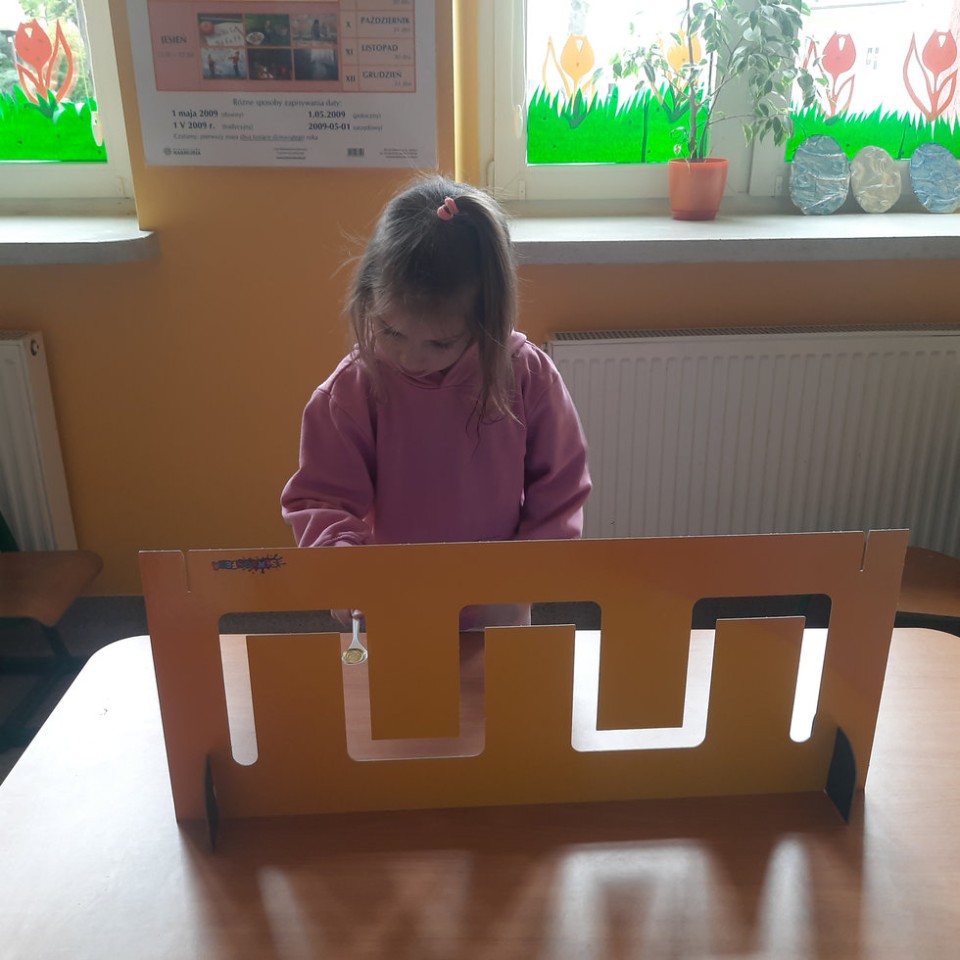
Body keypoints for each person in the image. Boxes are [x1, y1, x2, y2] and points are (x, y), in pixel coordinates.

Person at [281, 176, 591, 630]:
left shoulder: (527, 376)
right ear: (368, 299)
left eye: (440, 343)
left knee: (499, 680)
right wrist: (343, 566)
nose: (411, 358)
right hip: (397, 602)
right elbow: (323, 498)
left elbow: (560, 488)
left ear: (487, 322)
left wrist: (525, 574)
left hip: (499, 606)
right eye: (391, 332)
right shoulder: (351, 391)